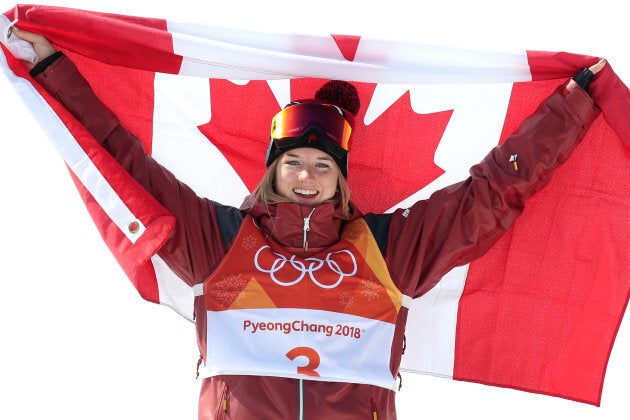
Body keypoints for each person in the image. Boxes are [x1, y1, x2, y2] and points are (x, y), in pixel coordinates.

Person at [12, 27, 605, 420]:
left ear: (340, 179)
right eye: (292, 161)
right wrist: (52, 67)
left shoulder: (386, 249)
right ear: (272, 172)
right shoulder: (219, 241)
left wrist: (576, 102)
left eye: (322, 165)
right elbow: (126, 164)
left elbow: (491, 194)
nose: (306, 174)